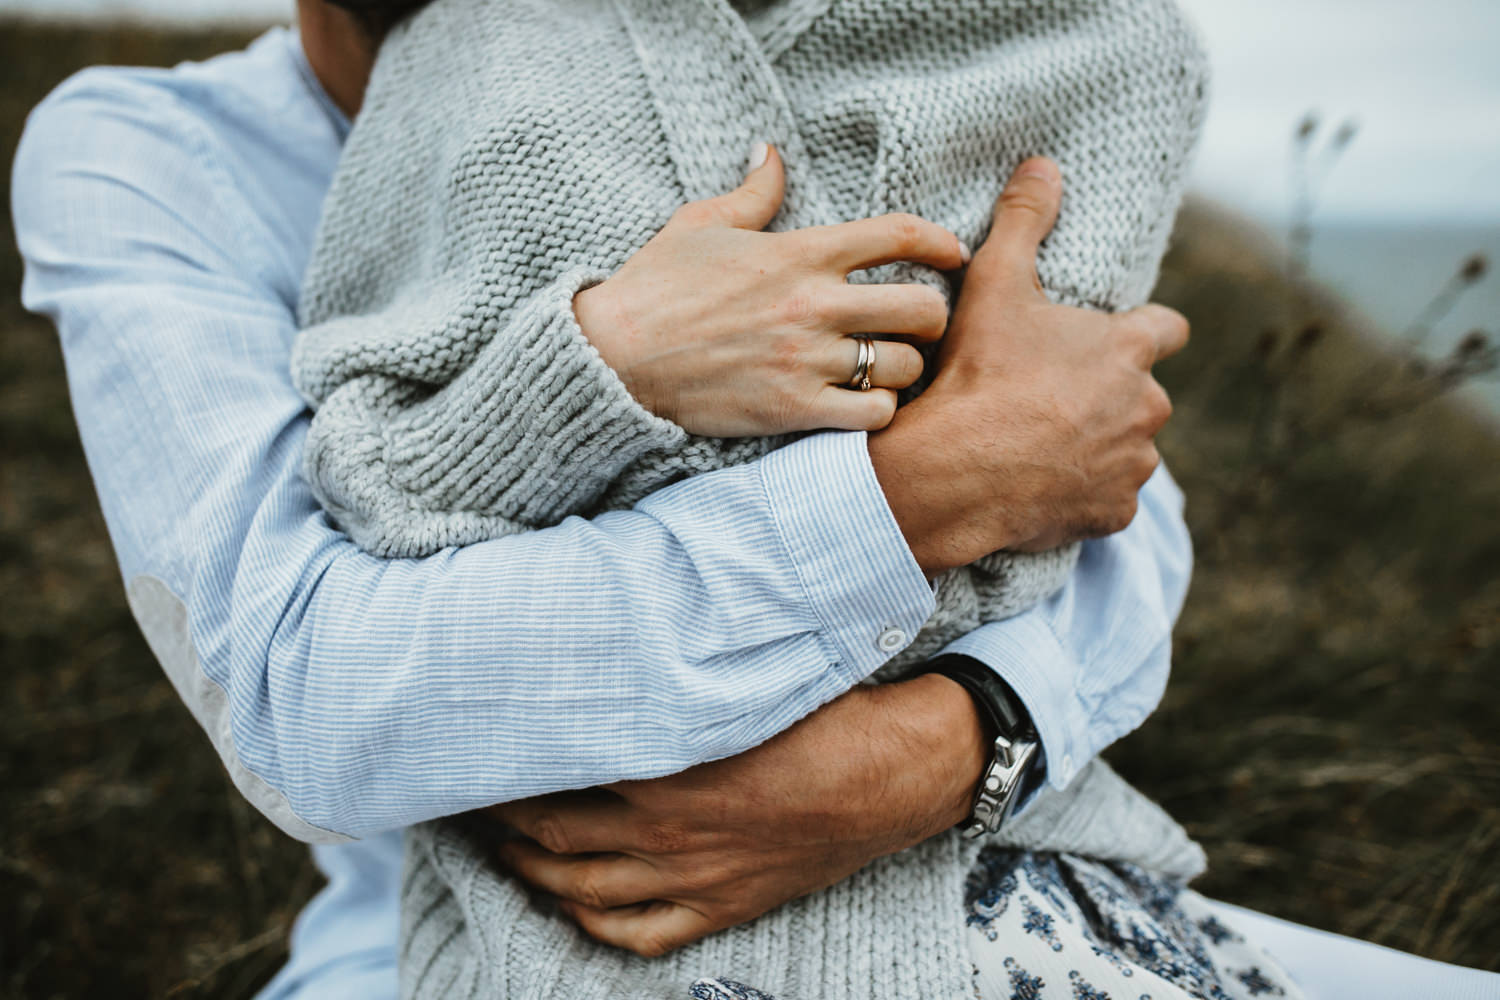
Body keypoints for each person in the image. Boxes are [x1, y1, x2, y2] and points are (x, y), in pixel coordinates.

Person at [11, 2, 1497, 999]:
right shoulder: (157, 152)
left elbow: (1096, 493)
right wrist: (636, 376)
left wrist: (947, 751)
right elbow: (312, 697)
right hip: (483, 925)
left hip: (970, 859)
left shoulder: (748, 54)